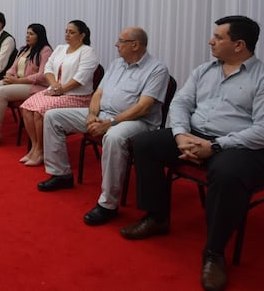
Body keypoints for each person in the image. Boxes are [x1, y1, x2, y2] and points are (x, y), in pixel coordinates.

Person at [120, 16, 264, 291]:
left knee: (226, 172)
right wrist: (181, 135)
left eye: (218, 37)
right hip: (195, 136)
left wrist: (215, 146)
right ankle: (156, 217)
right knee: (144, 144)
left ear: (239, 45)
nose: (210, 41)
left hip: (244, 147)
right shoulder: (203, 71)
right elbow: (181, 103)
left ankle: (214, 253)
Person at [37, 26, 169, 227]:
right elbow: (98, 93)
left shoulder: (157, 70)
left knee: (114, 137)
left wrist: (110, 123)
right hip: (102, 115)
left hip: (136, 122)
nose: (116, 44)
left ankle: (108, 204)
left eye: (121, 41)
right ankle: (61, 174)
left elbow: (144, 107)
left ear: (135, 45)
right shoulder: (117, 64)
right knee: (53, 116)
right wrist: (91, 115)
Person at [18, 20, 98, 165]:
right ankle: (35, 147)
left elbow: (81, 78)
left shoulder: (88, 52)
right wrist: (54, 86)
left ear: (82, 35)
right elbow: (48, 69)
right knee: (26, 108)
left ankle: (41, 150)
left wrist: (61, 89)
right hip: (55, 91)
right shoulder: (61, 48)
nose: (67, 34)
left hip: (77, 96)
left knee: (39, 111)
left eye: (72, 32)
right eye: (66, 31)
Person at [0, 23, 53, 147]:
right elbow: (13, 67)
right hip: (16, 81)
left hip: (35, 86)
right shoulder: (23, 49)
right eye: (27, 33)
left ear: (39, 36)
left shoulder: (45, 50)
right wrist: (9, 76)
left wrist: (17, 81)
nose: (27, 36)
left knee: (1, 92)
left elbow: (42, 75)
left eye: (31, 34)